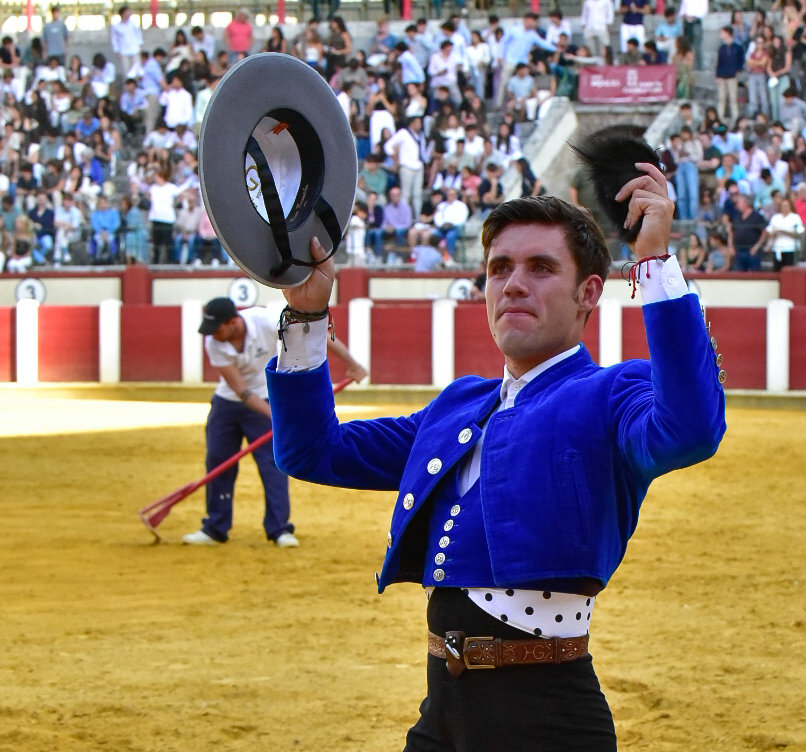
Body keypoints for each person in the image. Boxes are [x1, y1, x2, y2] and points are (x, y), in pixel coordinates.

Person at [266, 159, 725, 751]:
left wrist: (656, 264)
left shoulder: (613, 394)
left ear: (589, 292)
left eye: (540, 268)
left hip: (546, 720)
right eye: (499, 268)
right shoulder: (459, 404)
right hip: (443, 712)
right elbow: (312, 451)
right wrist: (305, 316)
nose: (512, 283)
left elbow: (689, 429)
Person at [184, 298, 367, 548]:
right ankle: (215, 528)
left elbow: (316, 336)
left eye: (217, 329)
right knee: (218, 460)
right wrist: (276, 414)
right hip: (229, 402)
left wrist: (352, 364)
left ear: (232, 322)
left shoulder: (266, 321)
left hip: (266, 397)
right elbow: (241, 391)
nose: (214, 336)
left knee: (274, 465)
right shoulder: (214, 342)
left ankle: (279, 528)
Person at [110, 5, 143, 78]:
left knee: (137, 70)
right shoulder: (116, 27)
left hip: (135, 49)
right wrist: (117, 51)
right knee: (127, 71)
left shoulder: (133, 24)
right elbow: (114, 39)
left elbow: (138, 34)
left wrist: (140, 45)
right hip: (124, 51)